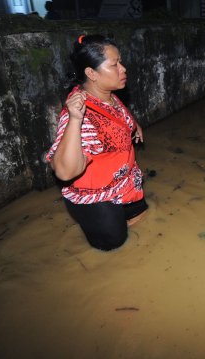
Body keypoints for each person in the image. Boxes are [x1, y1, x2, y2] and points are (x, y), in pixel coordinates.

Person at [45, 34, 147, 250]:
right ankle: (92, 218)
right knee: (113, 242)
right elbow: (64, 172)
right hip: (94, 194)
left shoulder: (105, 93)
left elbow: (115, 113)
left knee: (142, 216)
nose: (123, 68)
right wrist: (74, 118)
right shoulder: (81, 116)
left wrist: (132, 124)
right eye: (114, 65)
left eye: (120, 61)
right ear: (91, 73)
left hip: (122, 180)